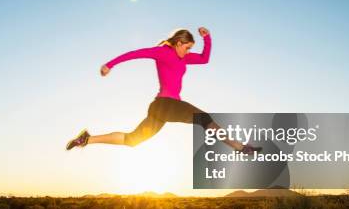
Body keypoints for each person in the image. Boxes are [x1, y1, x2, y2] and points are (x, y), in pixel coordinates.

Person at [66, 27, 260, 152]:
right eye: (187, 47)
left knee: (133, 140)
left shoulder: (184, 57)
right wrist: (110, 64)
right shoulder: (162, 52)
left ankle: (87, 139)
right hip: (166, 104)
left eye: (191, 48)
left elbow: (204, 58)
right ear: (178, 43)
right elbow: (135, 54)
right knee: (204, 118)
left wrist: (207, 38)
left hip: (161, 110)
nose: (189, 51)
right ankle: (240, 147)